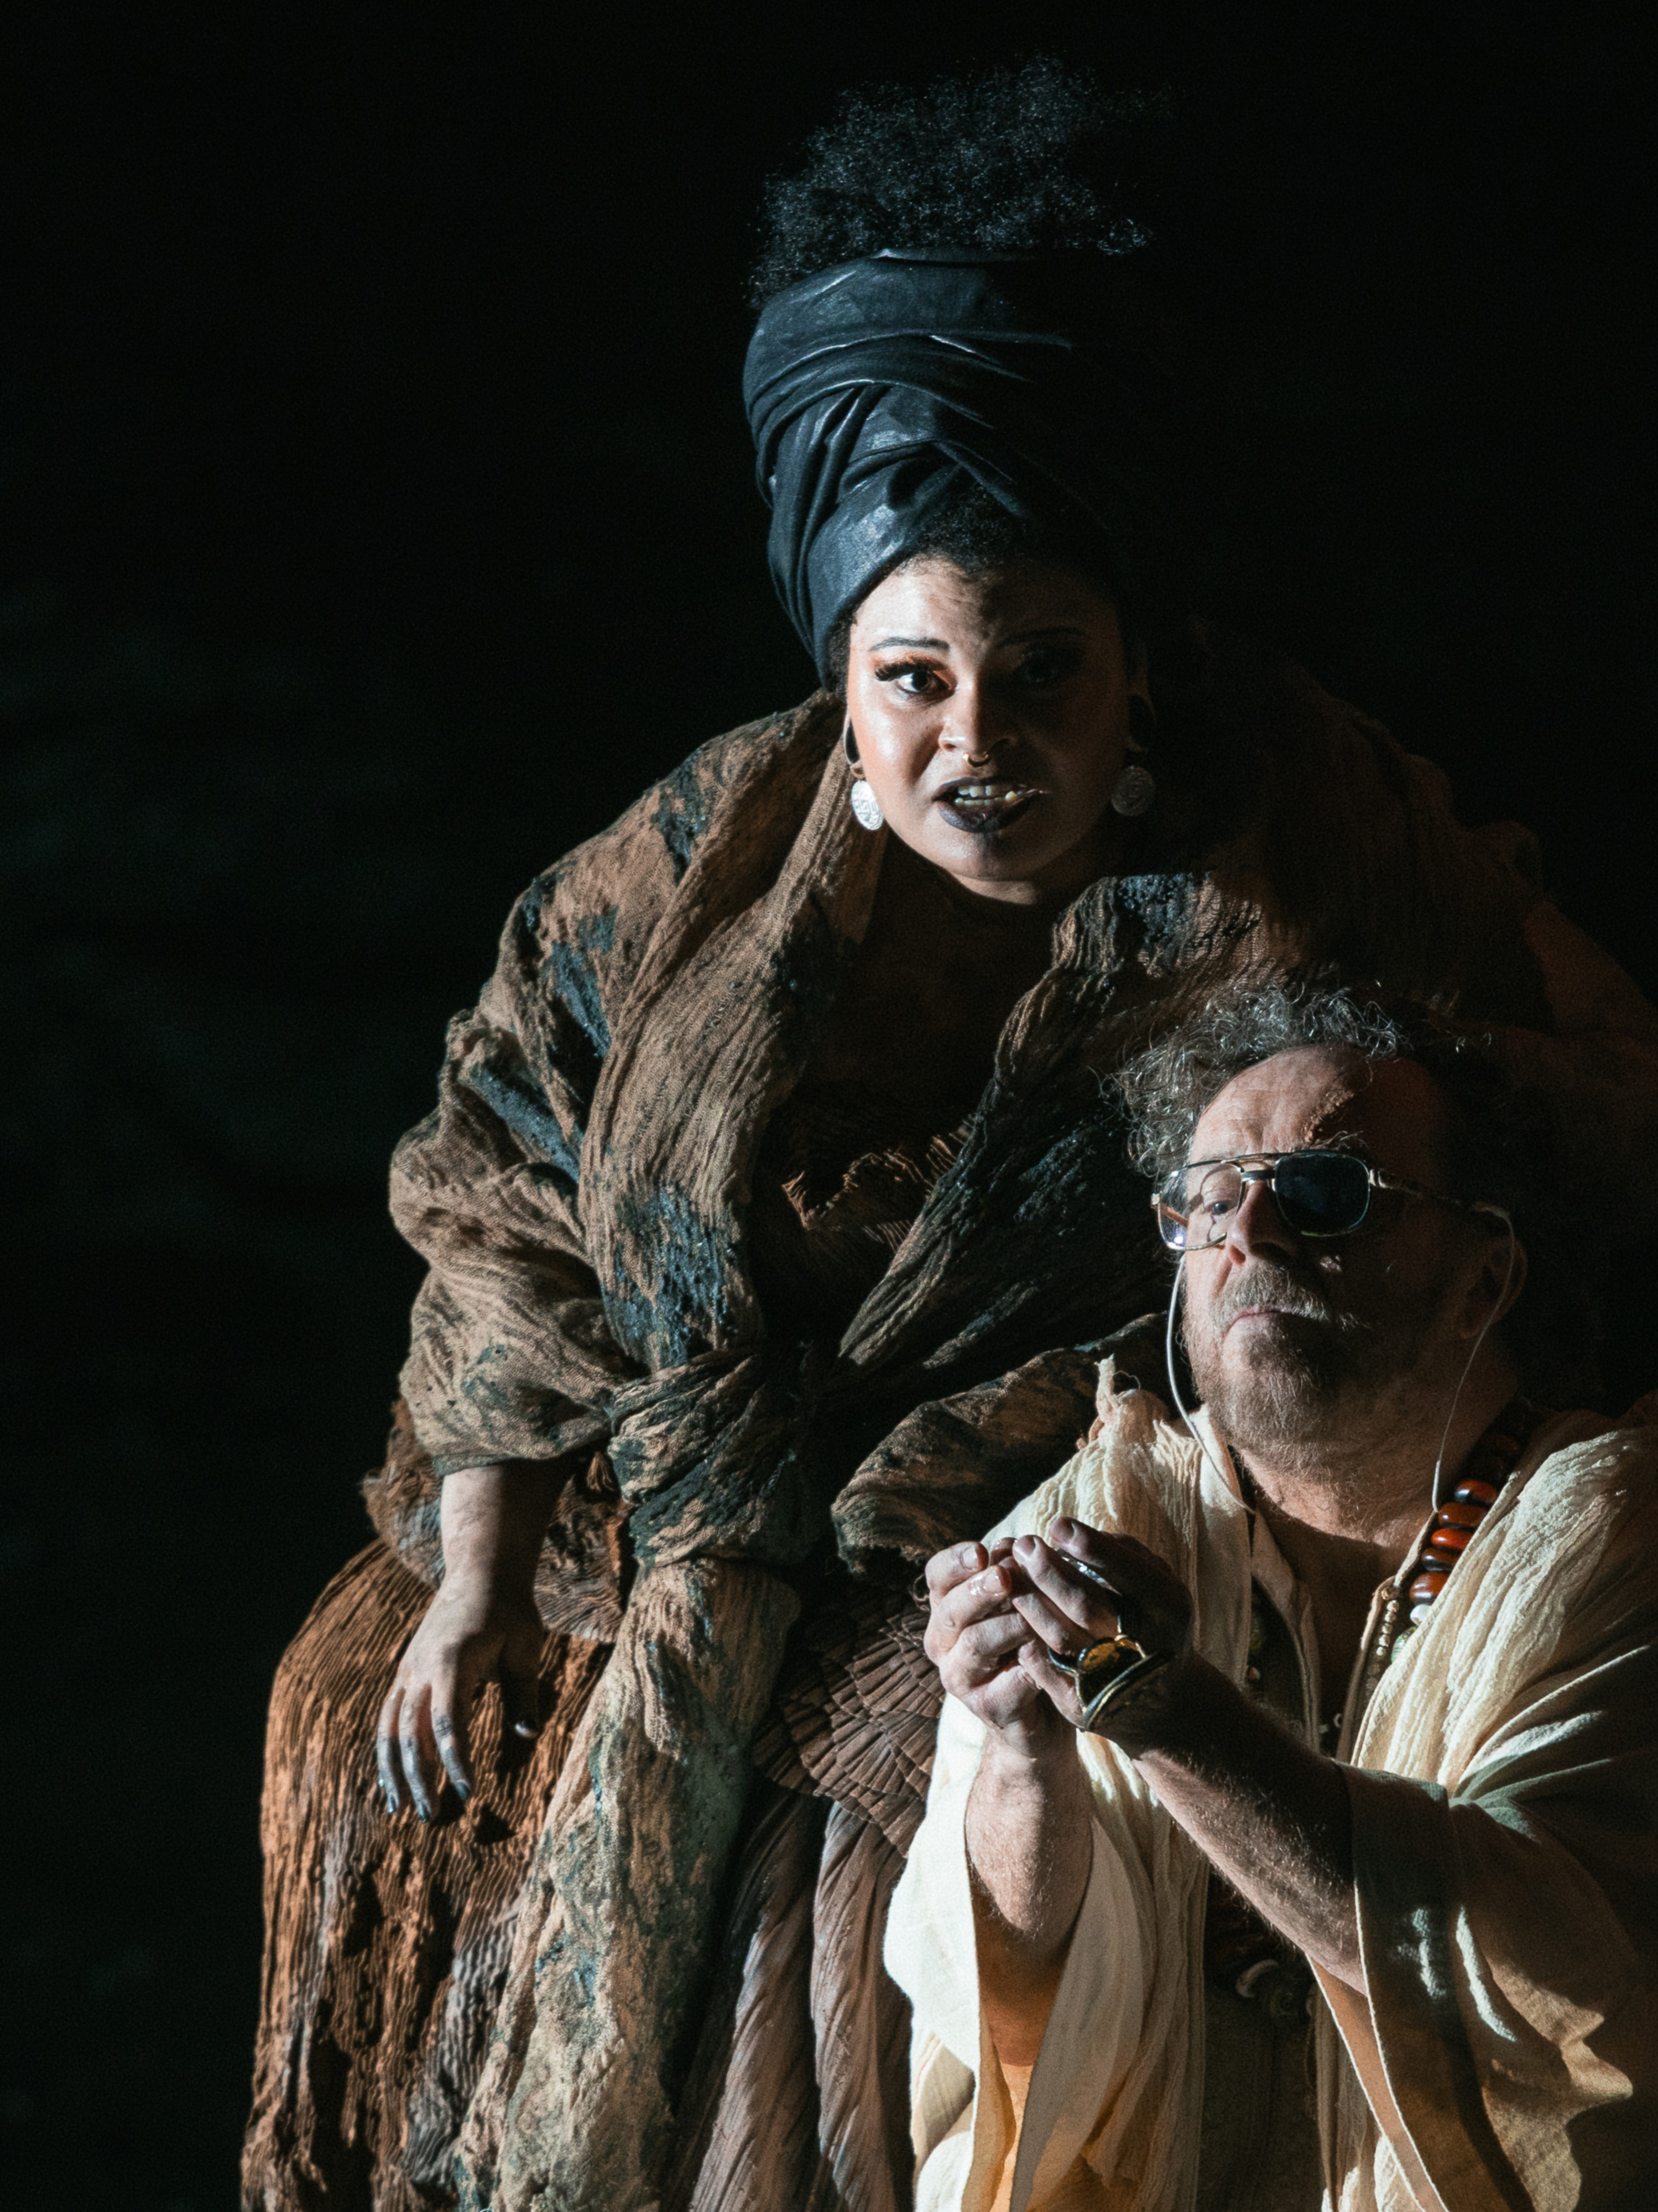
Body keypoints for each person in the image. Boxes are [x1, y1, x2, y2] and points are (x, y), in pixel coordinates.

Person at [243, 64, 1658, 2212]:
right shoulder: (689, 869)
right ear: (842, 672)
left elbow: (1553, 1112)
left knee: (916, 1812)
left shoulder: (1317, 846)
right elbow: (503, 1195)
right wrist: (481, 1571)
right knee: (366, 1707)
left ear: (1135, 668)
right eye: (910, 678)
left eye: (1040, 671)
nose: (974, 740)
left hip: (1088, 1508)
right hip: (687, 1506)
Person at [903, 987, 1658, 2212]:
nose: (1246, 1231)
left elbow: (1561, 1982)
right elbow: (989, 1996)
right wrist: (1022, 1757)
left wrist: (1166, 1715)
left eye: (1323, 1189)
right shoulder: (1086, 1519)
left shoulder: (1616, 1533)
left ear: (1483, 1276)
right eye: (1209, 1197)